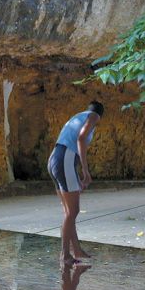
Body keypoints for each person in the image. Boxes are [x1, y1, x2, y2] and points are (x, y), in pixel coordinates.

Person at [47, 101, 104, 266]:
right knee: (73, 211)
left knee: (68, 212)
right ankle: (65, 254)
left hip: (55, 159)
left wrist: (76, 175)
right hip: (65, 159)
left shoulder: (77, 117)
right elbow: (81, 138)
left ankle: (76, 250)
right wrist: (86, 171)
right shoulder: (93, 116)